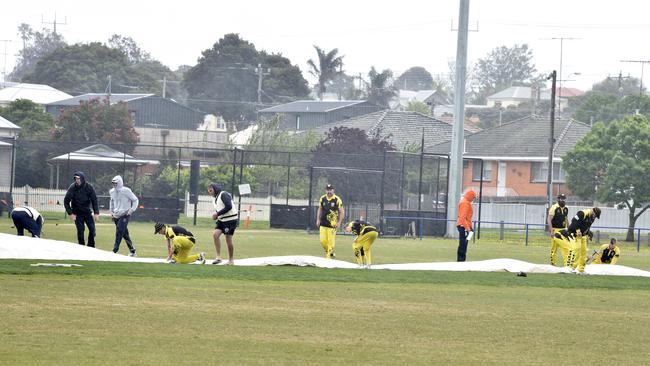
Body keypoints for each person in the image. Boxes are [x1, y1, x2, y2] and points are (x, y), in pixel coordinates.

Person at [63, 171, 99, 247]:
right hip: (77, 213)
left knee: (92, 231)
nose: (77, 180)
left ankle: (90, 246)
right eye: (76, 179)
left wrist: (96, 213)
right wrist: (71, 213)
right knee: (80, 232)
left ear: (82, 179)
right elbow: (66, 201)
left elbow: (94, 200)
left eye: (78, 179)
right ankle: (81, 247)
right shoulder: (72, 188)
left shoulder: (89, 187)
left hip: (87, 212)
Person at [208, 183, 238, 265]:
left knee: (228, 239)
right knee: (215, 235)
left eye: (211, 190)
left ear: (215, 189)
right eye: (208, 190)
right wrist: (217, 215)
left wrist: (217, 214)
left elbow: (229, 206)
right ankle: (218, 257)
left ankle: (231, 260)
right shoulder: (214, 199)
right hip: (222, 220)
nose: (209, 192)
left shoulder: (223, 194)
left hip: (230, 220)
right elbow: (220, 210)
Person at [565, 207, 601, 273]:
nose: (595, 217)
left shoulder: (592, 218)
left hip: (583, 236)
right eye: (595, 215)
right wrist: (578, 230)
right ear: (593, 211)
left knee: (584, 252)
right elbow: (574, 221)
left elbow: (587, 226)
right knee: (577, 249)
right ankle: (571, 268)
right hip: (574, 233)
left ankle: (581, 269)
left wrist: (589, 233)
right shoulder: (582, 213)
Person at [109, 175, 139, 256]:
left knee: (119, 230)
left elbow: (135, 200)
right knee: (124, 233)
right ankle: (132, 250)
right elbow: (111, 201)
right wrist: (111, 212)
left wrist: (131, 210)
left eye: (116, 183)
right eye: (113, 183)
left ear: (120, 183)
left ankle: (115, 250)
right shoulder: (111, 191)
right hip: (116, 215)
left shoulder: (127, 191)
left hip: (125, 214)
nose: (114, 185)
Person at [316, 184, 344, 259]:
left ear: (333, 190)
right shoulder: (322, 198)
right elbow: (320, 209)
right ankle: (331, 253)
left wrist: (339, 222)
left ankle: (328, 259)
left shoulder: (337, 199)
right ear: (326, 190)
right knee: (323, 241)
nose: (329, 191)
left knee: (330, 243)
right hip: (323, 224)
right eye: (327, 190)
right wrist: (318, 219)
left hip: (332, 225)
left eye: (330, 190)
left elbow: (342, 211)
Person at [547, 193, 572, 266]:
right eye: (561, 199)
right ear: (558, 199)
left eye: (564, 199)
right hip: (555, 230)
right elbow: (549, 219)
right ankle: (553, 263)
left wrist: (569, 229)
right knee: (554, 249)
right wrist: (551, 230)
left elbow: (566, 219)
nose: (563, 200)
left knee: (565, 248)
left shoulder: (566, 208)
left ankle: (566, 264)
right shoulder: (554, 208)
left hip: (564, 230)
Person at [456, 190, 476, 262]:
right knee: (463, 244)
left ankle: (461, 259)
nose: (473, 199)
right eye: (473, 197)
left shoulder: (465, 202)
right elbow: (463, 217)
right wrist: (468, 228)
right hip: (463, 226)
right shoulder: (465, 203)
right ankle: (461, 260)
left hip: (464, 226)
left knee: (464, 243)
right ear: (470, 196)